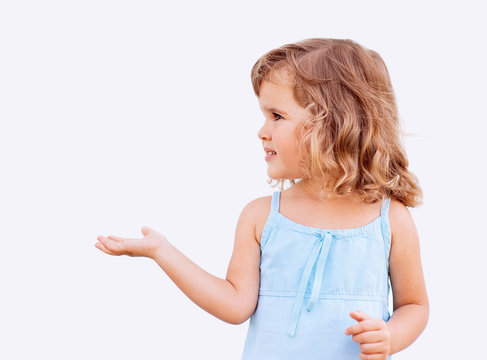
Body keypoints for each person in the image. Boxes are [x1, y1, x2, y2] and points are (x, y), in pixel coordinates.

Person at [95, 38, 429, 359]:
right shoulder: (261, 217)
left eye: (277, 116)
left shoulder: (390, 218)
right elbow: (235, 305)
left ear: (332, 124)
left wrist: (390, 336)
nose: (262, 131)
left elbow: (414, 306)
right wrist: (162, 251)